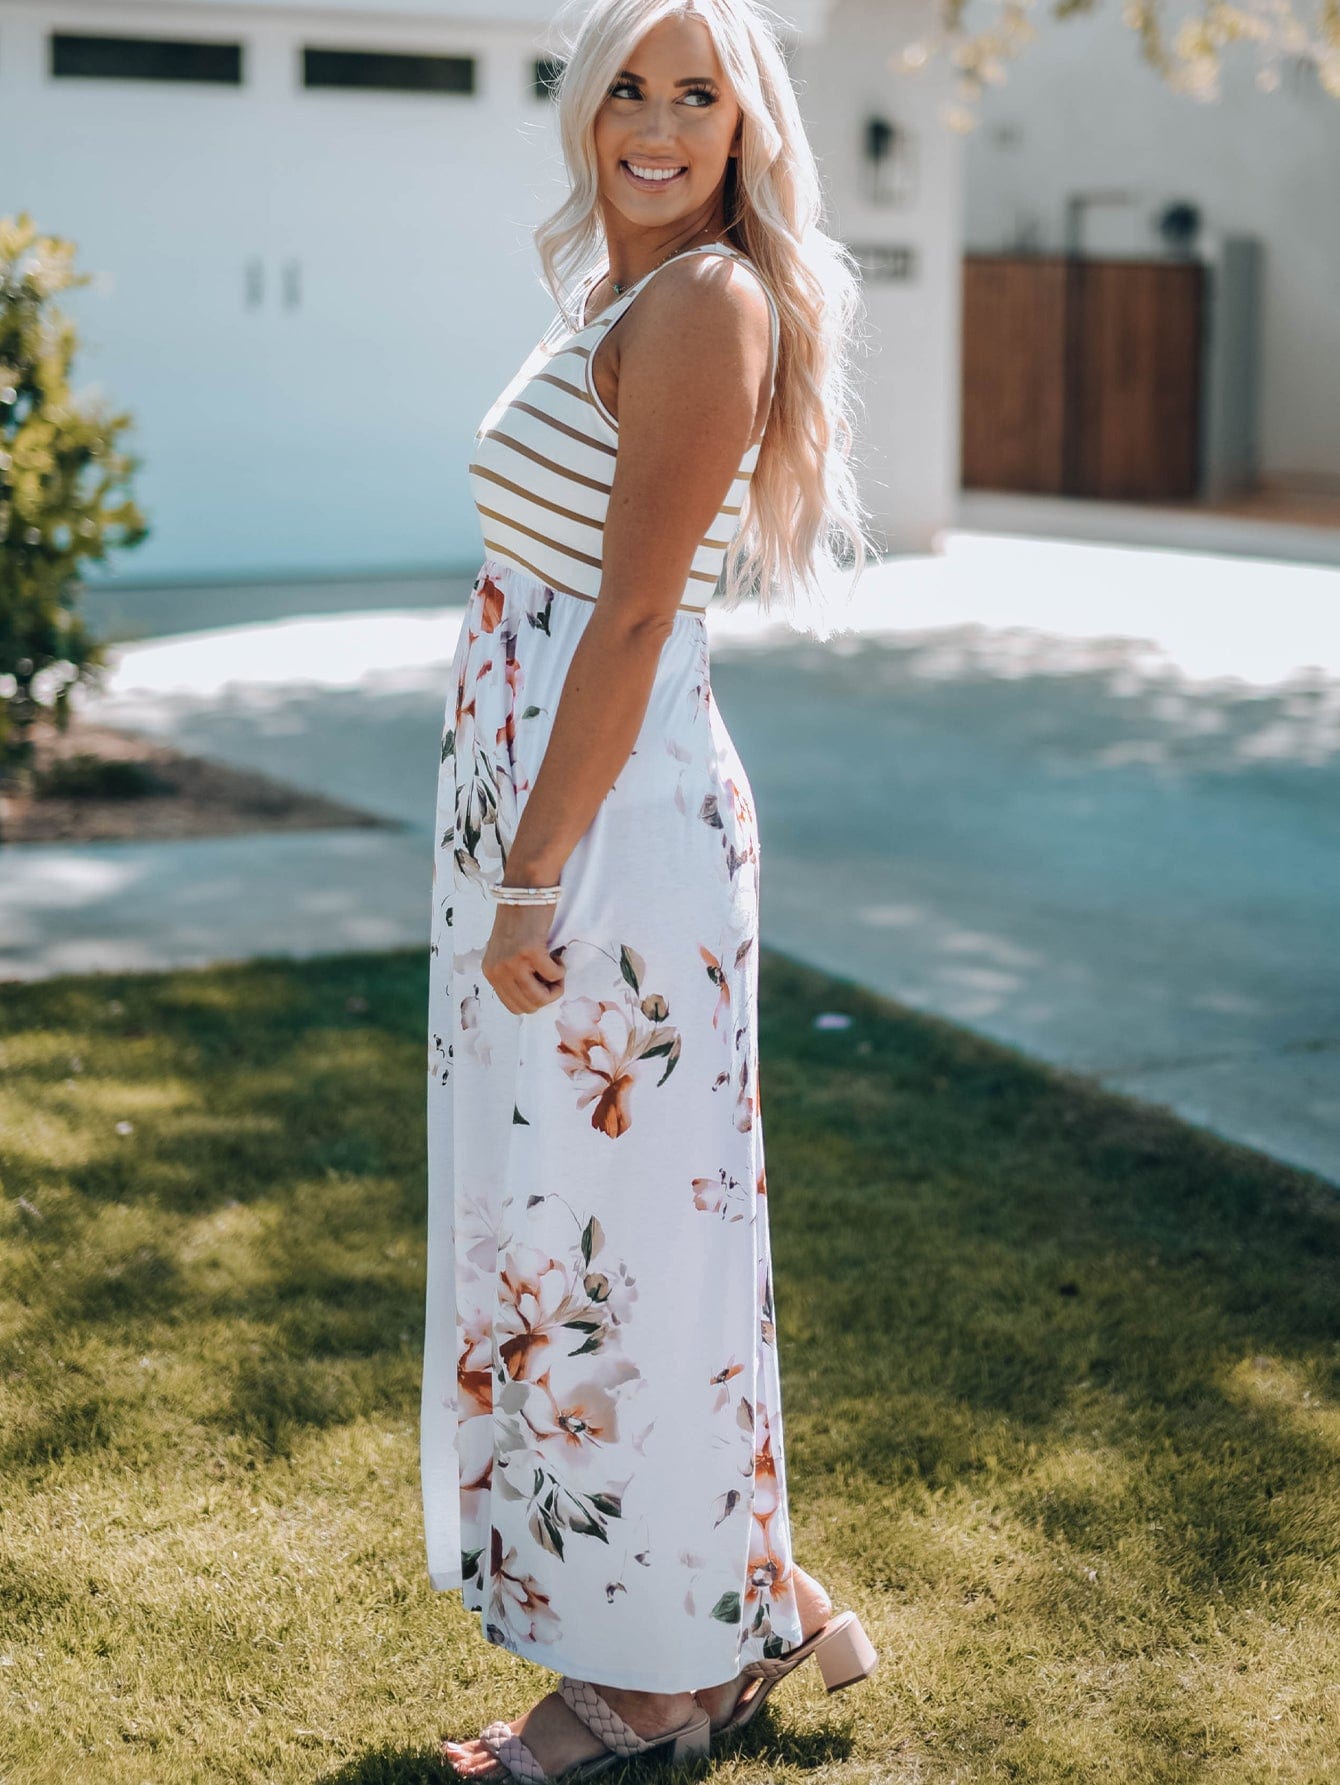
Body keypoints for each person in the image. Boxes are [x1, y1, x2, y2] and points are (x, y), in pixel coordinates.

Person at [423, 1, 877, 1777]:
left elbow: (627, 618)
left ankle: (646, 1692)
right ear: (585, 106)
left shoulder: (706, 305)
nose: (661, 123)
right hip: (557, 817)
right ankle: (727, 1608)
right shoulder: (620, 300)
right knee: (585, 1234)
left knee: (621, 1253)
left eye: (702, 94)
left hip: (609, 841)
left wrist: (532, 878)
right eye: (633, 86)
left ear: (749, 129)